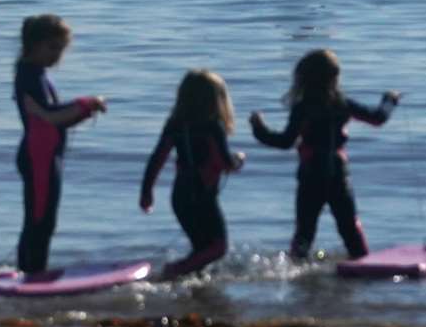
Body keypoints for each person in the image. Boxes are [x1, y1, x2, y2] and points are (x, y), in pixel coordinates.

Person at [249, 49, 399, 260]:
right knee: (349, 227)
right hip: (338, 171)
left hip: (311, 172)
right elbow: (378, 118)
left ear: (303, 79)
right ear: (335, 77)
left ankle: (296, 269)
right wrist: (389, 100)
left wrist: (258, 128)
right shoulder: (343, 104)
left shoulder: (303, 108)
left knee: (305, 230)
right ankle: (363, 264)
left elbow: (285, 142)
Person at [13, 14, 106, 275]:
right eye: (52, 48)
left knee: (44, 220)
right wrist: (84, 104)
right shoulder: (28, 76)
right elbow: (50, 115)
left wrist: (83, 112)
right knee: (39, 220)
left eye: (61, 49)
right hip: (38, 158)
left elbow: (55, 120)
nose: (58, 56)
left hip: (46, 156)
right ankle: (31, 274)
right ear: (33, 45)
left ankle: (31, 271)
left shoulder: (38, 74)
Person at [139, 70, 245, 279]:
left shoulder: (174, 124)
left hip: (180, 195)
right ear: (217, 101)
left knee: (201, 248)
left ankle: (194, 288)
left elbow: (157, 158)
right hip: (202, 196)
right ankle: (174, 271)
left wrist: (147, 192)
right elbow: (226, 163)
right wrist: (239, 159)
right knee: (218, 247)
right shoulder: (213, 126)